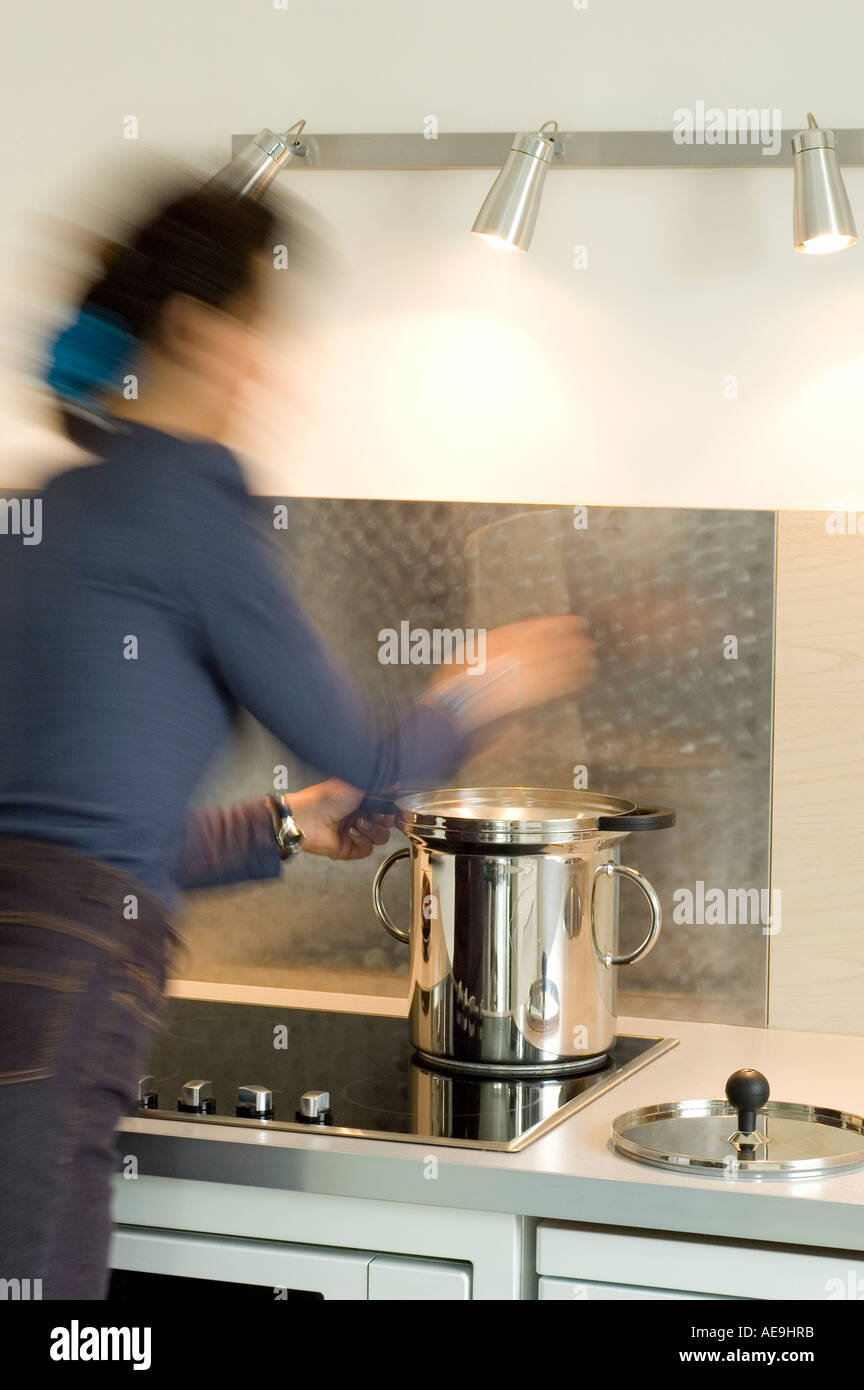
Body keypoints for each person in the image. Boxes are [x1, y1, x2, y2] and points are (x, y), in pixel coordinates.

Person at [0, 181, 596, 1298]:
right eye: (261, 334)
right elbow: (375, 757)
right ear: (194, 329)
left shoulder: (47, 508)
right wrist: (488, 683)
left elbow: (85, 839)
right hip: (61, 1003)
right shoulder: (185, 499)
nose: (268, 372)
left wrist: (280, 822)